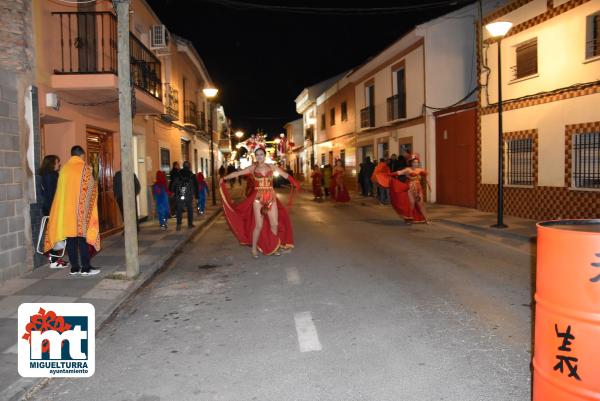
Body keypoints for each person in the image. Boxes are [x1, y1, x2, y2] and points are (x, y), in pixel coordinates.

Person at [220, 147, 301, 258]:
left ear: (265, 155)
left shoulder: (271, 167)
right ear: (255, 156)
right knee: (258, 225)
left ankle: (274, 247)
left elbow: (285, 175)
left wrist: (294, 182)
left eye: (261, 154)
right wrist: (224, 178)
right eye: (257, 154)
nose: (259, 156)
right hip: (258, 199)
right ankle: (254, 249)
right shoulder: (252, 168)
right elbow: (237, 174)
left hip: (271, 198)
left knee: (275, 224)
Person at [44, 145, 100, 276]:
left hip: (66, 213)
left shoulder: (63, 169)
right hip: (81, 213)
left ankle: (74, 268)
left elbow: (60, 192)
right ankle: (86, 268)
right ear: (82, 155)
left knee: (71, 241)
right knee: (82, 240)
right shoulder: (86, 169)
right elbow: (92, 190)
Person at [40, 155, 70, 269]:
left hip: (51, 208)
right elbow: (51, 194)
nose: (59, 164)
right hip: (52, 208)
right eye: (57, 162)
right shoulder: (50, 176)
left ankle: (56, 259)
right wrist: (55, 209)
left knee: (55, 233)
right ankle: (53, 259)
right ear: (52, 163)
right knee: (54, 234)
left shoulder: (48, 175)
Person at [391, 154, 431, 223]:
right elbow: (399, 173)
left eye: (417, 162)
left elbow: (425, 176)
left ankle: (426, 219)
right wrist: (389, 174)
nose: (416, 164)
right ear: (411, 163)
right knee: (411, 203)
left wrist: (427, 181)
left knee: (420, 203)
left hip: (418, 188)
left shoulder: (420, 169)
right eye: (414, 162)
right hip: (410, 187)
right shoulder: (407, 169)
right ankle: (408, 218)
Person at [172, 161, 197, 230]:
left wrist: (173, 191)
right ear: (189, 166)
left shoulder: (178, 174)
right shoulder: (192, 175)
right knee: (190, 209)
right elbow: (196, 186)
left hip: (179, 194)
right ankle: (190, 224)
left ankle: (179, 224)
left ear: (183, 166)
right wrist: (196, 196)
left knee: (179, 210)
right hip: (188, 195)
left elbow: (173, 184)